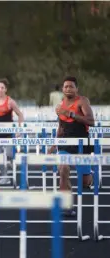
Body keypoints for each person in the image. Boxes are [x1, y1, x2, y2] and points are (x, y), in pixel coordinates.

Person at [48, 76, 94, 216]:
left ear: (76, 89)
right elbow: (60, 127)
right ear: (62, 89)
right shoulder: (60, 105)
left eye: (71, 86)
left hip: (81, 145)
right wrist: (54, 145)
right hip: (65, 144)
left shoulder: (82, 101)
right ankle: (67, 206)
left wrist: (70, 114)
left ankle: (89, 175)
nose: (68, 89)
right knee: (63, 170)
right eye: (66, 86)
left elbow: (91, 121)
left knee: (85, 182)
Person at [0, 78, 24, 185]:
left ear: (5, 89)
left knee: (9, 155)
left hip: (8, 133)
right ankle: (5, 176)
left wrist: (19, 129)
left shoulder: (10, 102)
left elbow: (20, 115)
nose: (0, 89)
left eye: (2, 88)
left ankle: (13, 165)